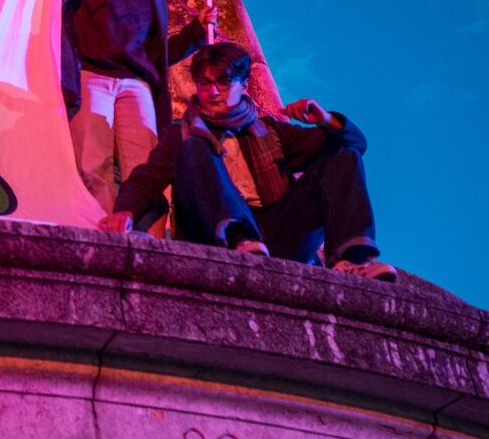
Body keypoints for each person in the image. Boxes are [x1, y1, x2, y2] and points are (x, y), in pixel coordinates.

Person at [100, 43, 395, 282]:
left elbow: (355, 146)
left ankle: (351, 261)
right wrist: (124, 211)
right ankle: (238, 239)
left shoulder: (270, 131)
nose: (213, 92)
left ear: (243, 85)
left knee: (341, 151)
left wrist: (326, 120)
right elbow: (148, 178)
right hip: (215, 238)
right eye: (205, 83)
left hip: (276, 236)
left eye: (223, 82)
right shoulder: (184, 133)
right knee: (192, 147)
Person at [64, 0, 216, 210]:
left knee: (144, 167)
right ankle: (104, 229)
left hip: (136, 86)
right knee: (92, 165)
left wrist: (197, 30)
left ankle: (145, 232)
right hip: (92, 77)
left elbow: (158, 55)